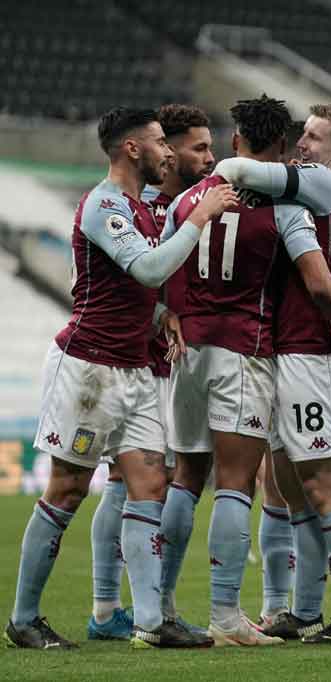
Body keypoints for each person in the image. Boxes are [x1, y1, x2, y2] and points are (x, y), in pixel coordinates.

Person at [5, 107, 234, 650]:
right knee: (67, 489)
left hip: (135, 369)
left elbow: (126, 290)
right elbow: (149, 269)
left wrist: (161, 315)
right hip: (89, 369)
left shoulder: (143, 211)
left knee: (150, 485)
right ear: (132, 148)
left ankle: (151, 621)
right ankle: (23, 619)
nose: (168, 151)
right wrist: (201, 216)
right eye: (159, 142)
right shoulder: (103, 204)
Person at [163, 95, 331, 647]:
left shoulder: (322, 189)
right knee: (287, 488)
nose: (303, 145)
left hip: (312, 352)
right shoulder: (282, 201)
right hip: (268, 350)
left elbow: (321, 285)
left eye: (315, 138)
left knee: (319, 484)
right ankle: (303, 610)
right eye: (299, 137)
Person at [84, 103, 217, 642]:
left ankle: (135, 608)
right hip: (135, 361)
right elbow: (129, 274)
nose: (208, 158)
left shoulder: (184, 201)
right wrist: (161, 313)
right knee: (131, 481)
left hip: (172, 355)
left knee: (142, 481)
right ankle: (119, 607)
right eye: (196, 148)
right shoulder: (141, 204)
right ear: (169, 149)